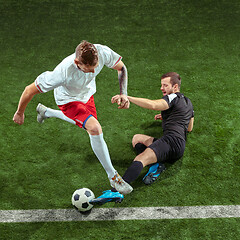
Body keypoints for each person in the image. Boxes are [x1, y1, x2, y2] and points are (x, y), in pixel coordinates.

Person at [12, 40, 133, 194]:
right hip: (68, 100)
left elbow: (121, 68)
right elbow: (29, 90)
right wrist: (20, 112)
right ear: (77, 62)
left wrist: (124, 94)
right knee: (95, 128)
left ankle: (47, 112)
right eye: (87, 70)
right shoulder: (62, 72)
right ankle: (113, 177)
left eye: (94, 69)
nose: (92, 72)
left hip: (87, 95)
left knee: (89, 127)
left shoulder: (101, 52)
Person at [90, 72, 194, 204]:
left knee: (140, 159)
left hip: (170, 142)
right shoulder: (188, 102)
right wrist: (168, 116)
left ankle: (116, 192)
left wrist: (127, 97)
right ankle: (157, 165)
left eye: (165, 85)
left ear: (175, 87)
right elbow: (189, 127)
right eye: (161, 85)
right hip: (179, 146)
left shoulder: (173, 97)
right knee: (137, 138)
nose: (162, 88)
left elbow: (153, 105)